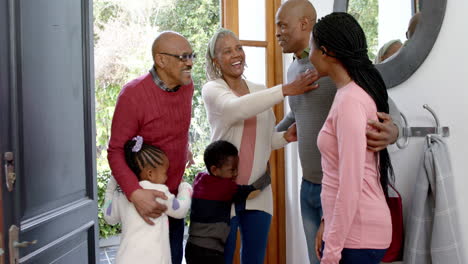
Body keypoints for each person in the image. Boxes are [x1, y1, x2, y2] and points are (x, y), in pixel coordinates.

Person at [275, 1, 400, 263]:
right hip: (313, 188)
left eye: (282, 25)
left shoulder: (345, 84)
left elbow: (383, 109)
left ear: (305, 24)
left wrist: (394, 132)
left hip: (343, 195)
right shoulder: (293, 71)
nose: (277, 32)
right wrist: (267, 138)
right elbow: (297, 113)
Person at [202, 28, 319, 264]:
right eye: (227, 51)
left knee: (254, 259)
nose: (236, 54)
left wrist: (286, 136)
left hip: (258, 192)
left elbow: (267, 139)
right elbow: (236, 108)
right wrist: (285, 89)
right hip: (224, 193)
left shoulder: (260, 90)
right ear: (216, 61)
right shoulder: (213, 89)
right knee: (221, 258)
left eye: (238, 48)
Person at [310, 12, 394, 263]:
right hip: (353, 229)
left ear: (325, 52)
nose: (309, 55)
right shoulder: (349, 95)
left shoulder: (350, 101)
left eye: (312, 48)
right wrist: (327, 222)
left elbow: (350, 183)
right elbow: (336, 176)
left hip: (359, 234)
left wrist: (332, 252)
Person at [107, 31, 194, 264]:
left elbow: (176, 127)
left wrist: (184, 149)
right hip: (143, 199)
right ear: (161, 60)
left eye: (191, 56)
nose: (190, 63)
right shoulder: (132, 95)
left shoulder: (187, 86)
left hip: (171, 199)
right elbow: (115, 151)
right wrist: (135, 194)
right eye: (183, 57)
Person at [103, 136, 192, 264]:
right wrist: (185, 188)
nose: (167, 176)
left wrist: (110, 189)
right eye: (165, 172)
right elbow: (180, 210)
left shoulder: (125, 195)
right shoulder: (160, 193)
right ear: (150, 173)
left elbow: (109, 217)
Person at [185, 140, 271, 264]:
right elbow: (252, 193)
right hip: (211, 252)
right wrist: (267, 178)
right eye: (232, 170)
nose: (236, 173)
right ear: (214, 170)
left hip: (192, 247)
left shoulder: (199, 179)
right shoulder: (226, 187)